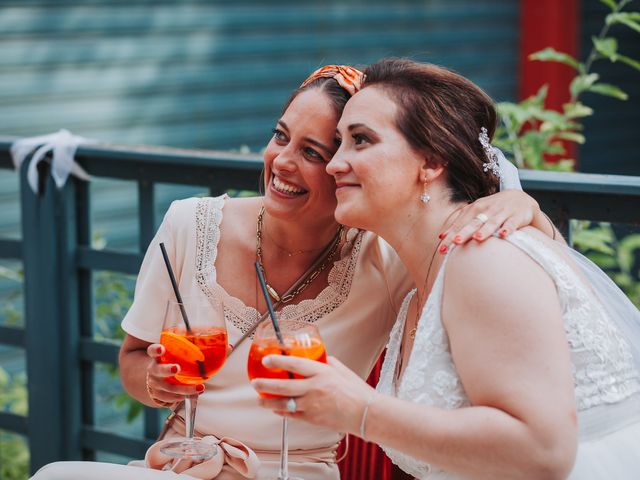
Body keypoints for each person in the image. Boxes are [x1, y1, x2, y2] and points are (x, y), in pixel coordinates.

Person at [31, 64, 555, 480]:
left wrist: (523, 205)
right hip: (184, 463)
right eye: (280, 137)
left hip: (296, 471)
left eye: (313, 152)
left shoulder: (385, 260)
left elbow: (521, 273)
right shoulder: (189, 225)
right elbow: (132, 361)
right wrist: (155, 382)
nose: (282, 162)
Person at [253, 59, 640, 479]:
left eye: (361, 140)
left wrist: (359, 410)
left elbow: (543, 451)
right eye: (338, 143)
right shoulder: (419, 280)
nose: (333, 165)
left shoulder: (483, 260)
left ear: (432, 162)